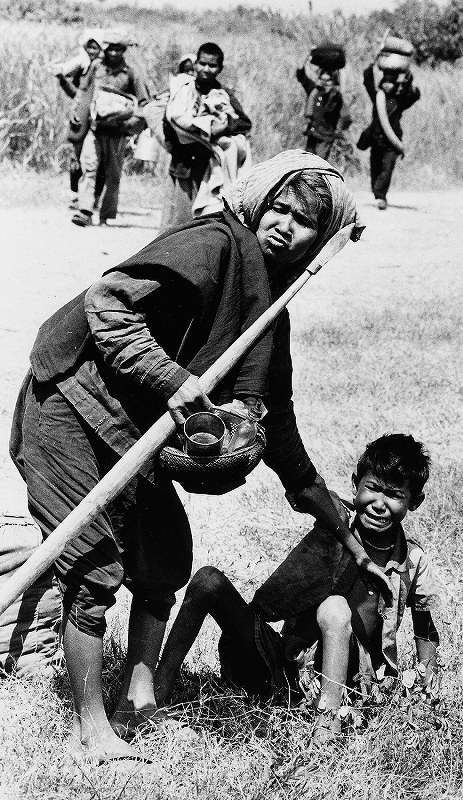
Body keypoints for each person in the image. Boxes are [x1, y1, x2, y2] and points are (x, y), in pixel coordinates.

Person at [9, 149, 388, 763]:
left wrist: (327, 508)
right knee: (93, 567)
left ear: (320, 243)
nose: (284, 225)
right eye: (279, 207)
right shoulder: (215, 243)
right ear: (258, 200)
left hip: (133, 432)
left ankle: (139, 693)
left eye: (303, 223)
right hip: (71, 404)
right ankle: (92, 732)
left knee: (164, 558)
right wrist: (170, 380)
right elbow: (108, 302)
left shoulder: (270, 308)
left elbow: (277, 424)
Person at [154, 434, 439, 744]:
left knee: (335, 609)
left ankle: (325, 726)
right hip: (290, 665)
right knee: (208, 580)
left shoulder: (412, 559)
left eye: (394, 494)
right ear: (356, 484)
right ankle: (154, 698)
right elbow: (305, 494)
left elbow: (425, 625)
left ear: (414, 502)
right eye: (373, 488)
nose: (380, 504)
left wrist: (424, 684)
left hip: (354, 682)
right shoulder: (333, 529)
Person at [160, 42, 252, 231]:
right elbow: (170, 120)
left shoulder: (224, 94)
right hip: (183, 162)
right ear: (195, 63)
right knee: (178, 221)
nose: (206, 69)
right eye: (202, 63)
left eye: (212, 66)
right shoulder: (183, 90)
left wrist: (221, 125)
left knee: (203, 221)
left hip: (208, 167)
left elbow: (244, 122)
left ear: (220, 69)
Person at [71, 29, 150, 228]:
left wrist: (131, 123)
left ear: (123, 50)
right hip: (95, 129)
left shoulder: (131, 72)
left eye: (118, 49)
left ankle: (106, 215)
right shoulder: (96, 67)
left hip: (117, 133)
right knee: (89, 168)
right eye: (110, 49)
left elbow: (144, 103)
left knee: (113, 175)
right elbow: (82, 91)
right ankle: (85, 211)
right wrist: (76, 111)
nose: (113, 53)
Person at [50, 29, 105, 209]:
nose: (91, 51)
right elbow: (76, 94)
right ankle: (76, 196)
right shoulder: (82, 67)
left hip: (99, 119)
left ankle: (94, 199)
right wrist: (62, 80)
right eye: (88, 47)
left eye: (95, 47)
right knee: (77, 160)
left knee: (98, 161)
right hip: (81, 118)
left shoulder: (103, 69)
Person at [359, 65, 420, 210]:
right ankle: (377, 192)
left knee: (387, 168)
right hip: (376, 139)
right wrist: (371, 66)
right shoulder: (376, 97)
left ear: (395, 84)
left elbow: (414, 95)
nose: (387, 84)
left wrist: (407, 80)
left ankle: (381, 196)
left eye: (390, 82)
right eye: (384, 81)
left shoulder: (400, 100)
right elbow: (367, 82)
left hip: (392, 143)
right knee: (375, 168)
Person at [296, 57, 349, 160]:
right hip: (312, 132)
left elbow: (340, 110)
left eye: (328, 75)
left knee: (319, 164)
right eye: (323, 74)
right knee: (307, 163)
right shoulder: (314, 90)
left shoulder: (336, 96)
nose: (324, 77)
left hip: (326, 136)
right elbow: (301, 75)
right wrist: (306, 58)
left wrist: (342, 72)